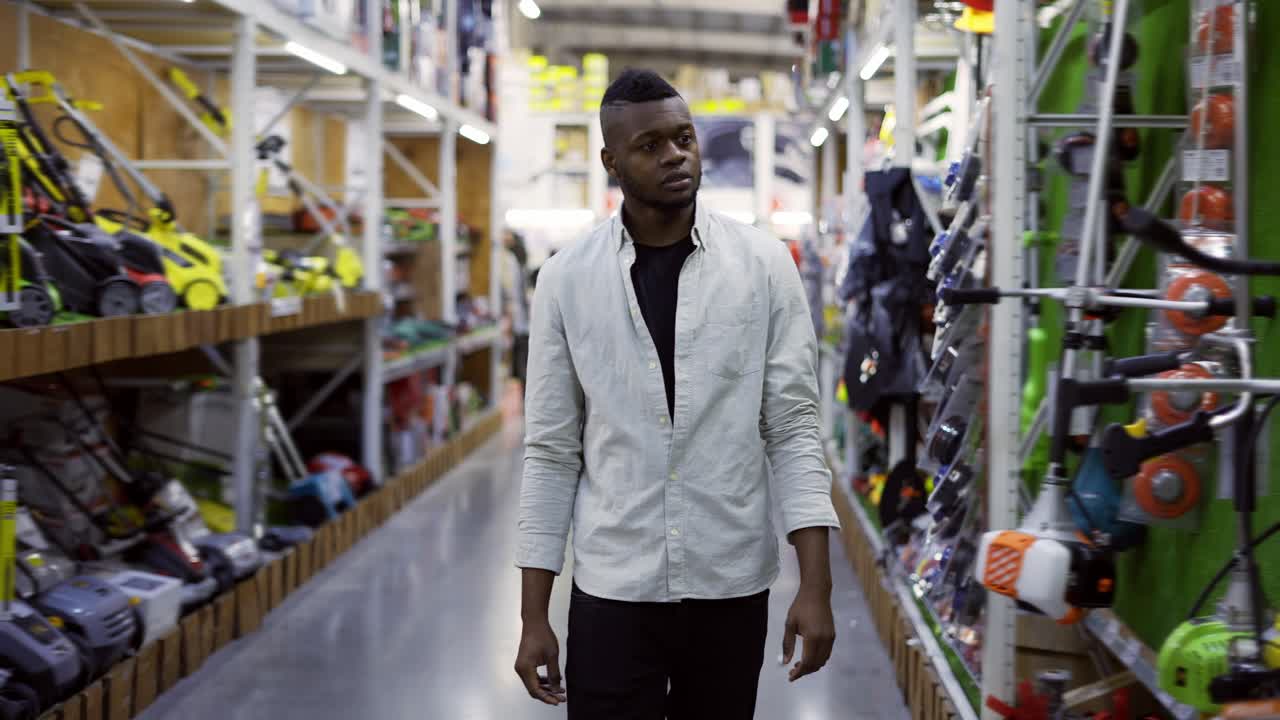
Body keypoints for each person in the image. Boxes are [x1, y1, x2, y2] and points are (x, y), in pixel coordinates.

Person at [513, 68, 840, 719]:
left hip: (730, 583)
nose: (674, 155)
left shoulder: (763, 264)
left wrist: (817, 585)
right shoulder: (565, 281)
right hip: (613, 586)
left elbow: (794, 428)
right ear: (611, 161)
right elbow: (551, 452)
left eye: (684, 138)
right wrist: (533, 615)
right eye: (650, 145)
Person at [500, 229, 531, 388]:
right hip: (516, 318)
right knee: (518, 359)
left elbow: (513, 292)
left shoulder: (511, 260)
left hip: (517, 318)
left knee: (519, 359)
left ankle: (522, 389)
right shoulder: (509, 259)